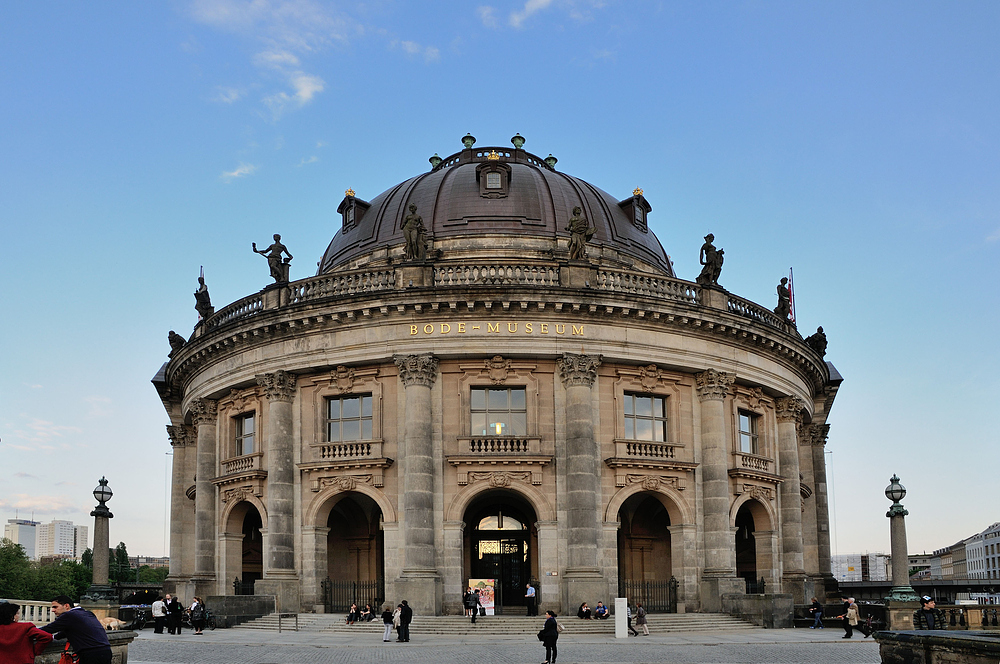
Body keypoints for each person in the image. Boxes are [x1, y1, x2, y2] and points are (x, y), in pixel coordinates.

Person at [40, 596, 112, 664]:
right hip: (105, 651)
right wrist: (54, 637)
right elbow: (68, 631)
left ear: (66, 606)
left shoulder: (69, 615)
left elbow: (48, 629)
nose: (53, 610)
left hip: (91, 654)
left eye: (55, 607)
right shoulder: (87, 613)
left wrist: (30, 631)